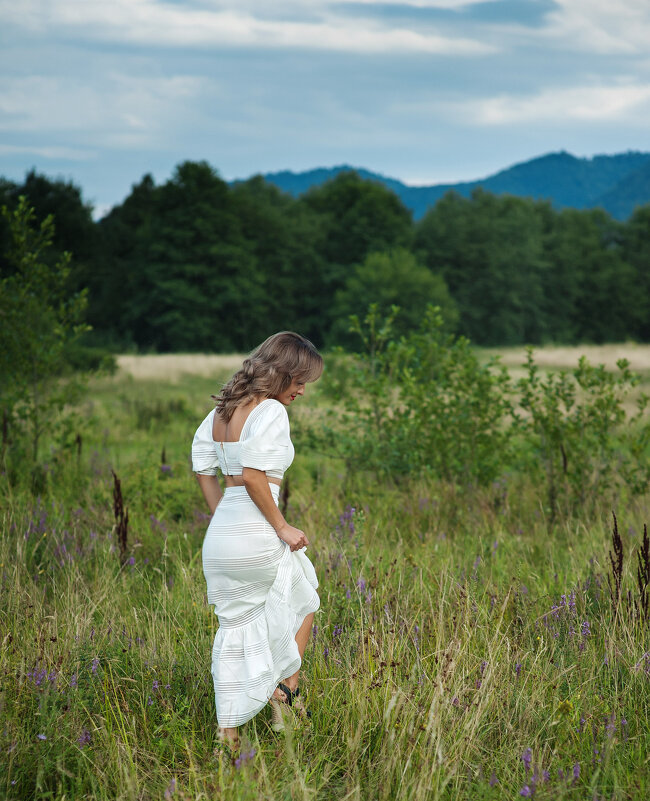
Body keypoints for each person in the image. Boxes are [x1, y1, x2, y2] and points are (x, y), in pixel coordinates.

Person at [191, 331, 323, 751]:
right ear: (281, 373)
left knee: (234, 628)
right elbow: (252, 476)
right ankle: (285, 695)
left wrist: (222, 520)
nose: (302, 390)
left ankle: (228, 732)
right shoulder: (269, 412)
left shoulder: (222, 412)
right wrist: (281, 526)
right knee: (305, 601)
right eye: (299, 380)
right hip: (257, 528)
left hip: (222, 536)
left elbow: (202, 470)